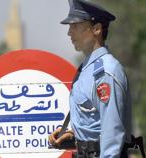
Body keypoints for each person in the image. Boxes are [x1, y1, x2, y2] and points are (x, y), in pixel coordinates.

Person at [48, 0, 133, 157]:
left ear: (96, 29)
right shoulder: (87, 69)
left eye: (75, 26)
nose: (69, 32)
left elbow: (112, 134)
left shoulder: (105, 72)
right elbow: (95, 123)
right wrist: (74, 134)